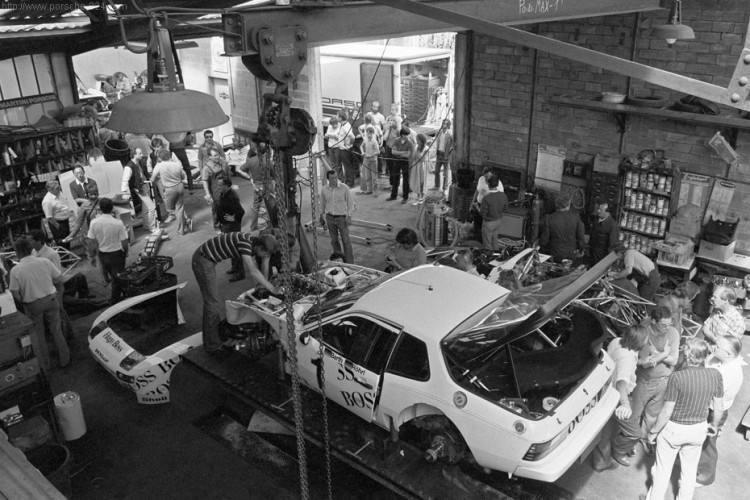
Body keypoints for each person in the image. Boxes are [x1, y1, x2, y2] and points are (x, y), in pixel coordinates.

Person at [641, 338, 724, 500]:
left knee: (662, 470)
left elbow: (666, 411)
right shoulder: (715, 375)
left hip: (675, 430)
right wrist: (714, 425)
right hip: (698, 429)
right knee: (689, 472)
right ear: (706, 356)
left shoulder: (677, 377)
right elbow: (719, 407)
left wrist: (653, 432)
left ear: (687, 356)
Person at [612, 306, 680, 465]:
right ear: (654, 321)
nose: (668, 328)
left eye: (670, 324)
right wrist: (664, 354)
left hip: (664, 380)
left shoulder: (673, 333)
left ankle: (643, 439)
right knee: (634, 414)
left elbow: (674, 360)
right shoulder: (644, 332)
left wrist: (657, 354)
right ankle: (624, 445)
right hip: (644, 381)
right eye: (664, 325)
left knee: (652, 415)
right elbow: (643, 363)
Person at [192, 232, 279, 356]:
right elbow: (253, 271)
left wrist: (263, 288)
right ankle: (213, 346)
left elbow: (265, 264)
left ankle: (214, 338)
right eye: (265, 253)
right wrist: (272, 289)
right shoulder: (245, 244)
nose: (266, 256)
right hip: (202, 260)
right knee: (212, 304)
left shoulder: (259, 243)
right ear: (259, 248)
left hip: (208, 259)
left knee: (213, 303)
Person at [592, 324, 651, 471]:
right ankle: (617, 451)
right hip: (616, 397)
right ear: (641, 342)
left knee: (605, 432)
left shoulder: (617, 341)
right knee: (634, 433)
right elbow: (622, 382)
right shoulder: (627, 359)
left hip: (604, 391)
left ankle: (600, 462)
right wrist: (625, 404)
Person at [8, 237, 69, 369]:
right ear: (31, 249)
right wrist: (55, 292)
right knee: (56, 331)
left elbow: (14, 292)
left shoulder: (16, 270)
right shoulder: (44, 262)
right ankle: (65, 359)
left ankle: (46, 365)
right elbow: (59, 278)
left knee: (39, 335)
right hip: (51, 300)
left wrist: (24, 300)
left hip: (32, 305)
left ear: (17, 253)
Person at [696, 334, 743, 486]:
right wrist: (711, 356)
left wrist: (715, 425)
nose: (714, 347)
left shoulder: (729, 374)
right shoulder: (722, 359)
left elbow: (718, 406)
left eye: (718, 347)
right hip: (708, 406)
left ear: (728, 354)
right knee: (697, 438)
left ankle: (705, 476)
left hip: (714, 412)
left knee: (708, 442)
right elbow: (705, 366)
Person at [87, 198, 129, 304]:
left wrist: (92, 256)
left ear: (100, 209)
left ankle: (124, 296)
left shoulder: (94, 222)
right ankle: (115, 303)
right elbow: (124, 242)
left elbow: (91, 241)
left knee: (115, 278)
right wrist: (126, 251)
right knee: (117, 279)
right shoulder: (118, 223)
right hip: (117, 255)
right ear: (112, 208)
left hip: (103, 255)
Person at [151, 148, 191, 235]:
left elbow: (152, 179)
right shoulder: (176, 165)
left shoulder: (159, 166)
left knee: (170, 209)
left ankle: (186, 220)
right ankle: (181, 230)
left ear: (160, 158)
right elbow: (183, 177)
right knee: (179, 208)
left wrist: (160, 176)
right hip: (180, 187)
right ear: (170, 156)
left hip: (169, 189)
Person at [320, 169, 355, 264]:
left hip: (342, 218)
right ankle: (339, 261)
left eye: (336, 177)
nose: (334, 180)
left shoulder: (344, 188)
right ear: (328, 179)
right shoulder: (324, 190)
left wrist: (349, 216)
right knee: (334, 241)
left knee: (346, 242)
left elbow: (350, 203)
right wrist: (321, 216)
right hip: (330, 218)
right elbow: (322, 204)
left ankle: (350, 263)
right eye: (332, 178)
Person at [539, 193, 585, 264]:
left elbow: (544, 240)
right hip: (571, 254)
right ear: (568, 203)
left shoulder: (549, 218)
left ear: (556, 204)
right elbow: (581, 237)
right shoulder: (576, 217)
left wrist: (538, 245)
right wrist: (581, 249)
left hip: (555, 254)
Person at [121, 147, 158, 235]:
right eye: (140, 153)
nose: (142, 155)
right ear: (134, 155)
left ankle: (146, 225)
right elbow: (125, 180)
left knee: (145, 208)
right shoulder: (129, 166)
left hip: (145, 186)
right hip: (140, 189)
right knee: (152, 207)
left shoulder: (138, 163)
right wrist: (125, 193)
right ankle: (152, 227)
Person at [216, 177, 245, 281]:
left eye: (220, 185)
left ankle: (240, 273)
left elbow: (241, 211)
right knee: (231, 247)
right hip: (226, 225)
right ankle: (235, 267)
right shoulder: (224, 194)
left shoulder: (232, 197)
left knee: (235, 248)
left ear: (227, 185)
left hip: (232, 226)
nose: (218, 186)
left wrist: (234, 218)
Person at [64, 184, 102, 262]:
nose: (94, 196)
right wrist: (71, 235)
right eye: (91, 194)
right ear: (87, 195)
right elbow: (79, 222)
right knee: (100, 257)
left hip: (106, 231)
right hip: (94, 235)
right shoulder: (84, 206)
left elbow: (114, 211)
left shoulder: (103, 201)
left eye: (95, 193)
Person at [202, 146, 231, 230]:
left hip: (225, 189)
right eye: (214, 155)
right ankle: (217, 226)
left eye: (217, 155)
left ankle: (226, 223)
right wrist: (208, 194)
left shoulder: (223, 163)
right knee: (216, 209)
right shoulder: (207, 168)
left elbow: (227, 174)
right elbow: (205, 181)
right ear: (209, 157)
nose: (217, 157)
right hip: (215, 191)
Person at [471, 166, 504, 240]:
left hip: (488, 210)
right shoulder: (481, 179)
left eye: (488, 177)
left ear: (493, 175)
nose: (486, 179)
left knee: (486, 230)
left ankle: (484, 246)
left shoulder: (498, 185)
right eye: (485, 176)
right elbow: (479, 191)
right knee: (477, 226)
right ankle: (476, 243)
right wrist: (472, 203)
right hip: (478, 205)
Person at [42, 180, 74, 249]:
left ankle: (69, 257)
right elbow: (49, 218)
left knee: (67, 242)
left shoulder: (59, 193)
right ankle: (65, 258)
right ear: (50, 190)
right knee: (62, 244)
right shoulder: (47, 201)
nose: (59, 189)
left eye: (59, 187)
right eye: (57, 188)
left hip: (65, 221)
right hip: (57, 223)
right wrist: (59, 227)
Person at [480, 175, 509, 250]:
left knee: (487, 243)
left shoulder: (486, 198)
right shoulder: (503, 195)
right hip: (498, 221)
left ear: (489, 185)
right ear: (497, 184)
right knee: (495, 240)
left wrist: (477, 207)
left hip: (488, 222)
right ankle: (496, 256)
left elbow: (482, 213)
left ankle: (488, 258)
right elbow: (505, 208)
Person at [589, 202, 619, 267]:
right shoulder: (596, 220)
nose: (598, 211)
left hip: (601, 259)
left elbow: (612, 246)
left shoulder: (612, 226)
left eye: (600, 210)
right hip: (592, 255)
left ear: (607, 212)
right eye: (598, 209)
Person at [389, 126, 414, 204]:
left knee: (406, 180)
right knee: (395, 178)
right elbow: (393, 152)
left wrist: (398, 153)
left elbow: (408, 155)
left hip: (405, 161)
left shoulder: (410, 143)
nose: (406, 136)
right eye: (405, 135)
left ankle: (405, 197)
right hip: (396, 161)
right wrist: (403, 152)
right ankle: (393, 195)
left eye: (407, 135)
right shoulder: (397, 140)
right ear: (401, 134)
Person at [382, 103, 402, 179]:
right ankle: (391, 179)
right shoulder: (388, 118)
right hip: (388, 146)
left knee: (395, 164)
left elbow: (399, 134)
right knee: (389, 163)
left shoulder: (399, 119)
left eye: (393, 110)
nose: (391, 111)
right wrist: (388, 127)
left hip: (394, 147)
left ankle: (396, 179)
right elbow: (384, 132)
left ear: (396, 111)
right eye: (391, 109)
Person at [433, 118, 454, 191]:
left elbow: (453, 145)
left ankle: (445, 188)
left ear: (448, 125)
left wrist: (449, 154)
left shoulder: (450, 134)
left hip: (445, 155)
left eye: (444, 124)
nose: (443, 125)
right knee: (436, 171)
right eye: (442, 123)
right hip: (439, 154)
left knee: (445, 173)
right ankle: (437, 185)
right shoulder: (439, 132)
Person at [359, 125, 379, 196]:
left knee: (374, 177)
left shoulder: (374, 142)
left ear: (373, 134)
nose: (369, 135)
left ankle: (375, 191)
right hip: (366, 160)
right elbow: (361, 146)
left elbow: (377, 151)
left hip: (373, 160)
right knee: (367, 176)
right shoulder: (365, 140)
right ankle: (369, 189)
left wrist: (371, 155)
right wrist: (362, 152)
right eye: (368, 133)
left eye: (370, 133)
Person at [409, 133, 429, 205]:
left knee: (422, 182)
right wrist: (413, 151)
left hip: (422, 166)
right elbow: (413, 157)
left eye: (418, 139)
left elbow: (422, 158)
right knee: (416, 181)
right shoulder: (415, 147)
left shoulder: (426, 148)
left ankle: (422, 198)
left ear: (422, 140)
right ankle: (418, 198)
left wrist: (417, 151)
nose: (417, 141)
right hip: (416, 166)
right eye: (416, 139)